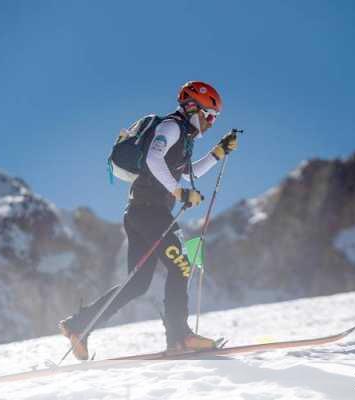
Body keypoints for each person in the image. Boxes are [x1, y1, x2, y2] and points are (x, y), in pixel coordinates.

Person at [59, 81, 238, 360]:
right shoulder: (171, 127)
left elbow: (191, 174)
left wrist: (218, 152)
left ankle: (78, 326)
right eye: (210, 115)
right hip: (150, 212)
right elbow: (154, 158)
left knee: (137, 284)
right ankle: (179, 337)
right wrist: (178, 192)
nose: (212, 122)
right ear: (194, 108)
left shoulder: (185, 138)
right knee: (180, 265)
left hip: (141, 213)